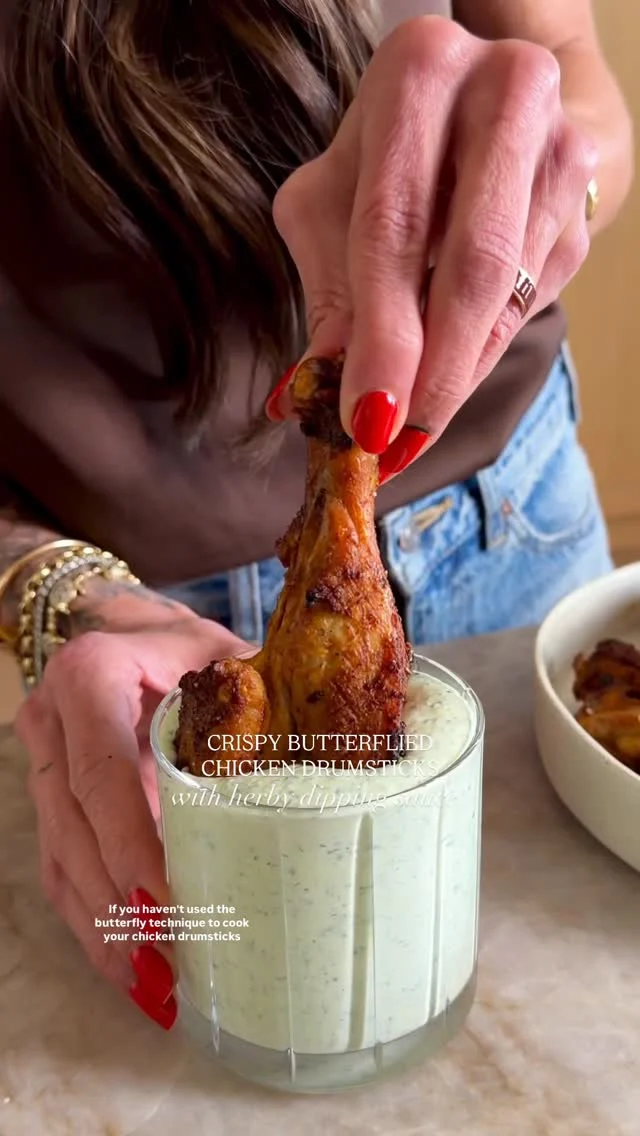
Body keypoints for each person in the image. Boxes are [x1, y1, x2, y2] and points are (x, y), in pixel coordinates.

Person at [0, 0, 633, 1029]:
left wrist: (542, 182)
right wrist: (56, 585)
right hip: (138, 625)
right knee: (249, 1025)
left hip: (508, 519)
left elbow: (573, 71)